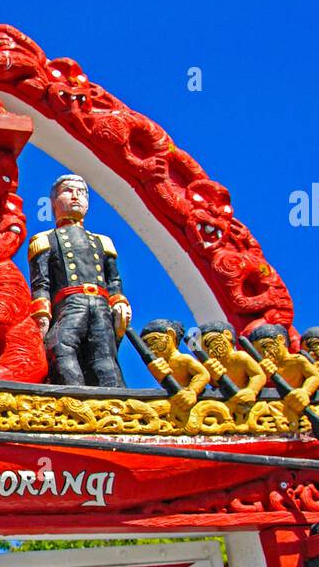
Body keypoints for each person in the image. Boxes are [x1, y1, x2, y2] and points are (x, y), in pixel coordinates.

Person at [28, 174, 131, 387]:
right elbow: (41, 283)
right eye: (68, 191)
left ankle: (114, 403)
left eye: (82, 192)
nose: (76, 196)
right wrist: (42, 313)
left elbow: (113, 279)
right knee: (60, 347)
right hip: (69, 304)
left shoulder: (103, 241)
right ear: (53, 202)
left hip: (101, 304)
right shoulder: (44, 239)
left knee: (105, 356)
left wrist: (119, 301)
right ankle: (73, 396)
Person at [139, 319, 209, 419]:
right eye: (146, 346)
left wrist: (192, 391)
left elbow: (203, 374)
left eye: (153, 340)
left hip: (191, 401)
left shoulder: (183, 359)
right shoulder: (161, 364)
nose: (151, 348)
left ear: (171, 334)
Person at [250, 323, 319, 418]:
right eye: (259, 352)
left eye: (267, 346)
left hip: (297, 405)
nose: (265, 353)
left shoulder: (297, 360)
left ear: (281, 340)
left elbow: (315, 376)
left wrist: (305, 391)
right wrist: (264, 374)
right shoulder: (262, 366)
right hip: (275, 407)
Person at [197, 320, 267, 414]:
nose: (210, 351)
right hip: (224, 403)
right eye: (205, 349)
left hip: (246, 401)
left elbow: (258, 375)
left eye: (211, 342)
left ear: (227, 334)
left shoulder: (240, 357)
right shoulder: (208, 366)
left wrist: (251, 390)